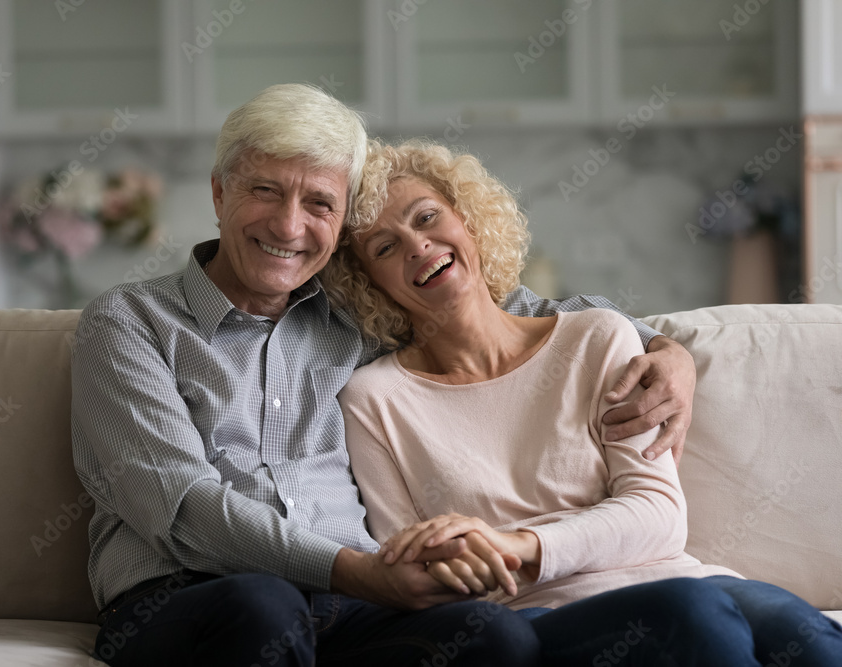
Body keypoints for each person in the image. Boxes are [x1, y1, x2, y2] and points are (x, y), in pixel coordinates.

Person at [71, 84, 692, 666]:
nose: (289, 226)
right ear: (218, 193)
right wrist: (360, 572)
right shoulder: (130, 322)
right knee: (264, 606)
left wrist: (667, 350)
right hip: (187, 595)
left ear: (339, 225)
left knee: (492, 633)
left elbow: (495, 306)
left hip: (352, 605)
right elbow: (182, 511)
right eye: (264, 190)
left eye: (319, 203)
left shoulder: (354, 312)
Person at [325, 138, 842, 666]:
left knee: (805, 636)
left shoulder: (597, 338)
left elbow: (658, 515)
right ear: (370, 283)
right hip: (541, 613)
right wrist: (456, 561)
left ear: (470, 220)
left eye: (428, 216)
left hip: (683, 576)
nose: (417, 245)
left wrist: (519, 545)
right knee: (694, 616)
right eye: (385, 247)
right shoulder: (374, 401)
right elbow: (413, 568)